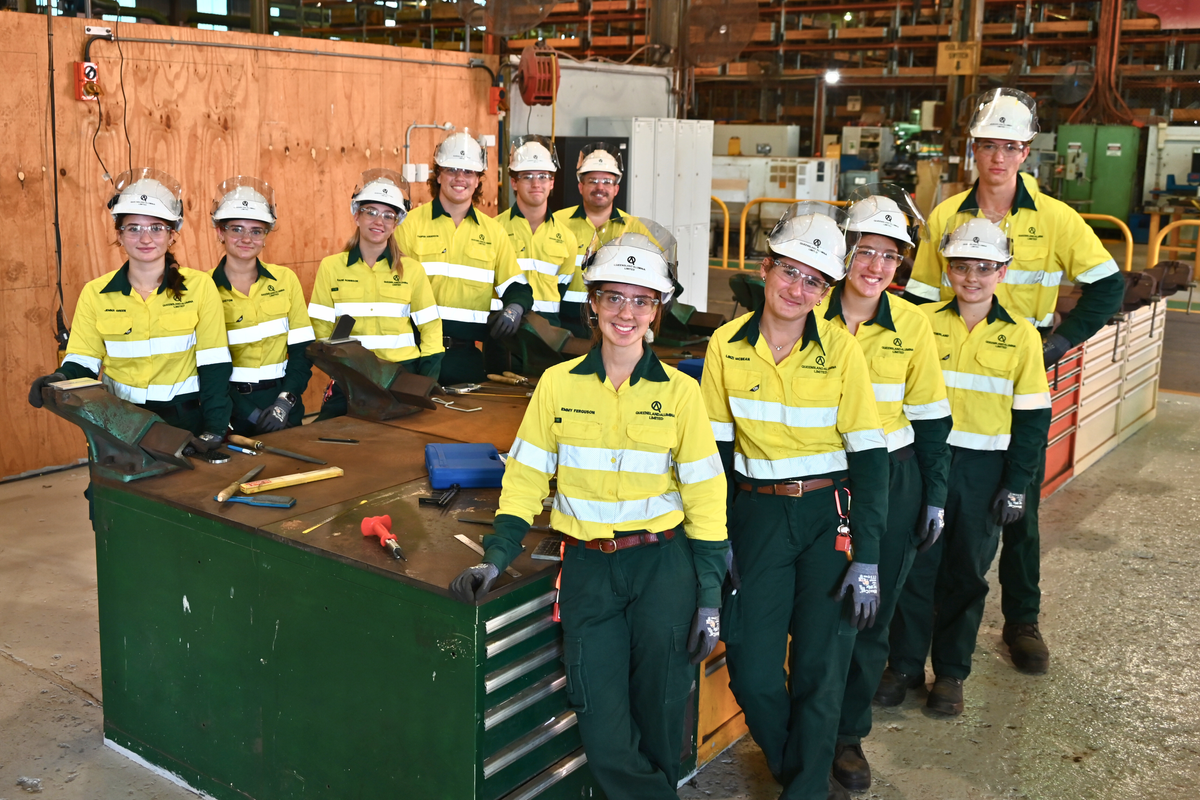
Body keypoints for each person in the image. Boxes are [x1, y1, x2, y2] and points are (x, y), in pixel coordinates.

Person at [449, 222, 729, 800]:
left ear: (657, 309)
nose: (625, 312)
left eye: (640, 300)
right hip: (588, 572)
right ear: (593, 303)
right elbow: (525, 477)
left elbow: (705, 497)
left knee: (659, 713)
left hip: (663, 569)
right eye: (613, 297)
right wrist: (497, 556)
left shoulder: (680, 393)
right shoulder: (556, 385)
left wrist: (708, 594)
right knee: (600, 719)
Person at [903, 88, 1124, 674]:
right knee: (937, 506)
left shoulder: (1055, 219)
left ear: (1026, 152)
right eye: (987, 146)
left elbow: (1108, 284)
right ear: (972, 149)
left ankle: (1021, 620)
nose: (997, 157)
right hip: (947, 376)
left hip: (1018, 373)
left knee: (1016, 506)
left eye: (1009, 146)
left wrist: (1058, 344)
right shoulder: (949, 215)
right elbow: (922, 300)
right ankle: (921, 633)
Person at [701, 202, 889, 800]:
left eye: (814, 280)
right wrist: (716, 538)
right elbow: (713, 459)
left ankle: (805, 788)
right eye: (789, 271)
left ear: (827, 289)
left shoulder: (842, 351)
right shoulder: (725, 346)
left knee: (819, 666)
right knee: (753, 668)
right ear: (766, 268)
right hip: (755, 516)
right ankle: (794, 767)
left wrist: (868, 556)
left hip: (826, 517)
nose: (797, 287)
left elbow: (869, 458)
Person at [886, 218, 1051, 717]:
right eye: (961, 266)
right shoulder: (921, 323)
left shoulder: (1022, 336)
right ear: (946, 268)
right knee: (915, 569)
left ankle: (952, 673)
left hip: (983, 475)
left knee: (966, 573)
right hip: (925, 465)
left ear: (1003, 272)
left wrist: (1017, 484)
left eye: (984, 267)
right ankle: (905, 666)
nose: (972, 277)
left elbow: (1032, 419)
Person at [824, 187, 952, 793]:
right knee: (814, 607)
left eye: (890, 256)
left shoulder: (914, 328)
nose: (876, 267)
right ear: (844, 251)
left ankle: (847, 736)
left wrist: (934, 496)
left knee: (871, 610)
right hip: (820, 478)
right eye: (865, 252)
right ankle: (809, 722)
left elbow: (931, 421)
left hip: (894, 478)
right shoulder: (806, 311)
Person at [30, 168, 231, 452]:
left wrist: (215, 429)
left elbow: (214, 365)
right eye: (133, 228)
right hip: (121, 422)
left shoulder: (200, 287)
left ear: (172, 234)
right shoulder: (96, 294)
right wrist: (61, 378)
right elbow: (85, 362)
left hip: (185, 421)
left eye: (156, 228)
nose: (145, 238)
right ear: (119, 235)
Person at [394, 130, 528, 384]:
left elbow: (516, 286)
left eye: (468, 172)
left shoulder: (493, 233)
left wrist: (515, 307)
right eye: (452, 169)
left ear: (478, 180)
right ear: (439, 175)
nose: (459, 178)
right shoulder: (410, 226)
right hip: (415, 355)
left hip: (466, 357)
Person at [308, 169, 443, 418]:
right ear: (357, 215)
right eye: (371, 211)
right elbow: (320, 328)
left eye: (388, 215)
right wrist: (341, 369)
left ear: (396, 223)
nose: (379, 221)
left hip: (402, 375)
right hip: (352, 377)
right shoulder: (331, 267)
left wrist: (424, 379)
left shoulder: (412, 270)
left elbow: (431, 328)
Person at [209, 176, 314, 436]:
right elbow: (206, 368)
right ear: (220, 232)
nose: (247, 238)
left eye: (256, 230)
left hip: (283, 405)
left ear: (266, 235)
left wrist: (283, 403)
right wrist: (250, 413)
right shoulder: (205, 288)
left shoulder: (286, 280)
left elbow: (302, 353)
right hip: (230, 408)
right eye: (236, 229)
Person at [552, 143, 642, 336]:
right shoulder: (557, 222)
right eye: (592, 181)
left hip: (615, 322)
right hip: (564, 322)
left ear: (616, 189)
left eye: (607, 182)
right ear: (580, 186)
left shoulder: (634, 227)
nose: (600, 187)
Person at [495, 135, 579, 328]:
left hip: (548, 333)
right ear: (514, 183)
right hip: (502, 329)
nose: (536, 184)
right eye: (527, 176)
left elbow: (562, 286)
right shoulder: (494, 229)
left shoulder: (567, 238)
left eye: (543, 176)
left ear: (552, 183)